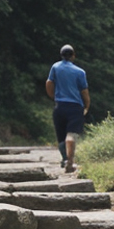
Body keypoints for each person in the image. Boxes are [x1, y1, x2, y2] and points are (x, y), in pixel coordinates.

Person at [45, 44, 90, 173]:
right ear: (73, 56)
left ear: (61, 55)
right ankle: (70, 162)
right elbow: (84, 91)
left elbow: (49, 83)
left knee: (60, 136)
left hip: (60, 106)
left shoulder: (55, 67)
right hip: (75, 107)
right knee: (71, 135)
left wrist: (53, 96)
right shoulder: (80, 72)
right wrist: (87, 105)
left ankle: (64, 159)